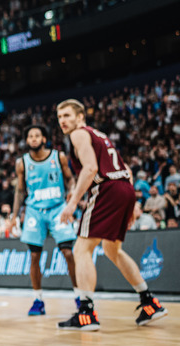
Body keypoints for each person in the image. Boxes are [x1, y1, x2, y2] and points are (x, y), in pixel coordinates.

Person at [55, 99, 168, 330]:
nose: (63, 121)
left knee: (81, 248)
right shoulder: (100, 135)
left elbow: (91, 169)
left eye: (67, 115)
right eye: (59, 117)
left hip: (107, 189)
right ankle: (149, 302)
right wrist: (133, 202)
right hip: (124, 188)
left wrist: (73, 203)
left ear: (80, 117)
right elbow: (125, 170)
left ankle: (86, 313)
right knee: (111, 249)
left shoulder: (78, 134)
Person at [10, 125, 79, 316]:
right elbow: (19, 191)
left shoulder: (59, 157)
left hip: (57, 209)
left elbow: (70, 179)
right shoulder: (22, 163)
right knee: (34, 257)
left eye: (37, 135)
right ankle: (38, 300)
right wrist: (14, 216)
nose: (33, 138)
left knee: (67, 253)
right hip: (34, 211)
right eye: (30, 136)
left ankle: (79, 295)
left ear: (44, 139)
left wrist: (72, 192)